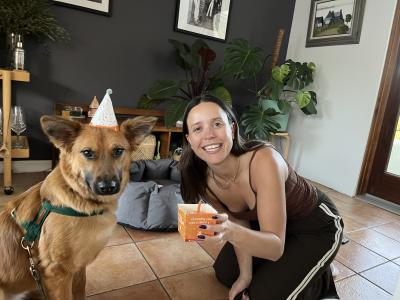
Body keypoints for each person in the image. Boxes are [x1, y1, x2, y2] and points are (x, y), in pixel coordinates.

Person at [179, 95, 343, 300]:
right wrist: (245, 276)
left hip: (315, 227)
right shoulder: (203, 180)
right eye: (197, 129)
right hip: (268, 228)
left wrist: (229, 231)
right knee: (227, 273)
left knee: (262, 296)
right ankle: (298, 263)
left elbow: (273, 248)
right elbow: (240, 220)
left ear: (232, 128)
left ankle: (319, 274)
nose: (209, 135)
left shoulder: (264, 161)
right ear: (189, 140)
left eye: (217, 124)